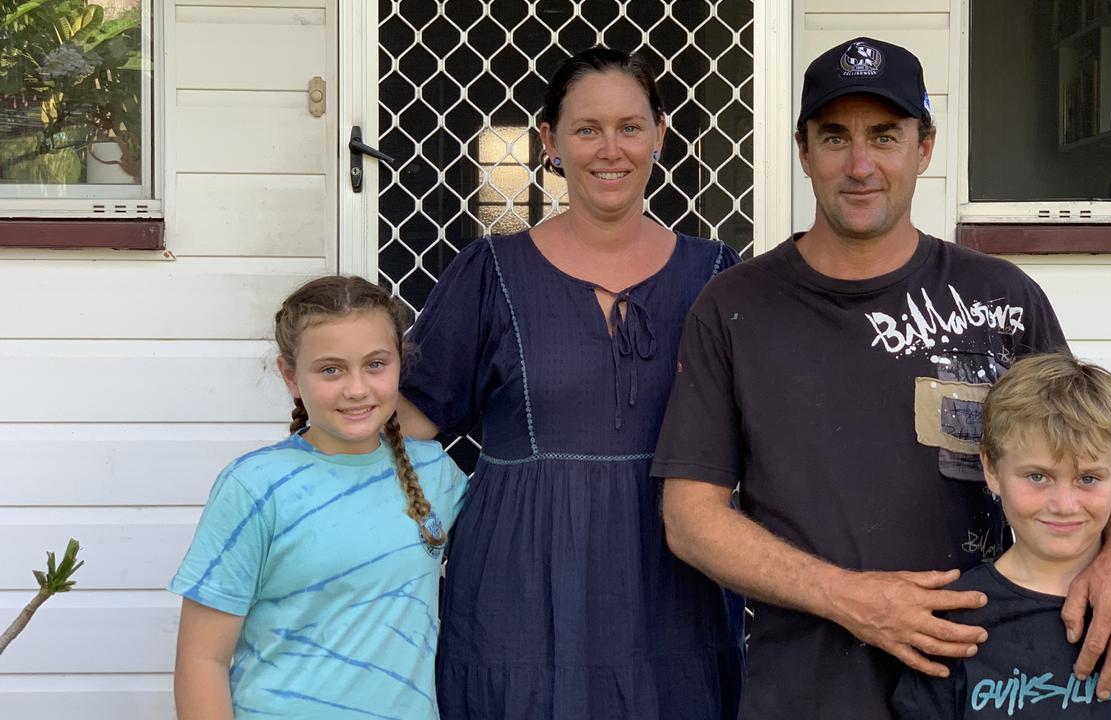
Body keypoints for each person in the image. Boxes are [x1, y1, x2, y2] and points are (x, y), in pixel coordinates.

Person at [654, 37, 1111, 720]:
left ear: (924, 147)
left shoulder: (1002, 298)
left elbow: (1084, 458)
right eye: (835, 137)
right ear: (803, 150)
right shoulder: (736, 307)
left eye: (885, 136)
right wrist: (850, 598)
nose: (860, 165)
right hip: (806, 691)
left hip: (989, 680)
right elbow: (690, 519)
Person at [394, 47, 744, 719]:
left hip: (675, 584)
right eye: (587, 129)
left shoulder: (715, 276)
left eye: (630, 127)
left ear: (660, 135)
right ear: (551, 141)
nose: (610, 149)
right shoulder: (490, 270)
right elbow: (409, 423)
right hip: (520, 585)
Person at [169, 276, 468, 719]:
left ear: (400, 364)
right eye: (331, 369)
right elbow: (202, 660)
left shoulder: (435, 473)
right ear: (290, 375)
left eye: (375, 364)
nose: (356, 388)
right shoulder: (255, 486)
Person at [892, 353, 1111, 719]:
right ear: (992, 468)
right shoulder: (951, 618)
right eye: (1037, 476)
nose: (1064, 505)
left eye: (1088, 478)